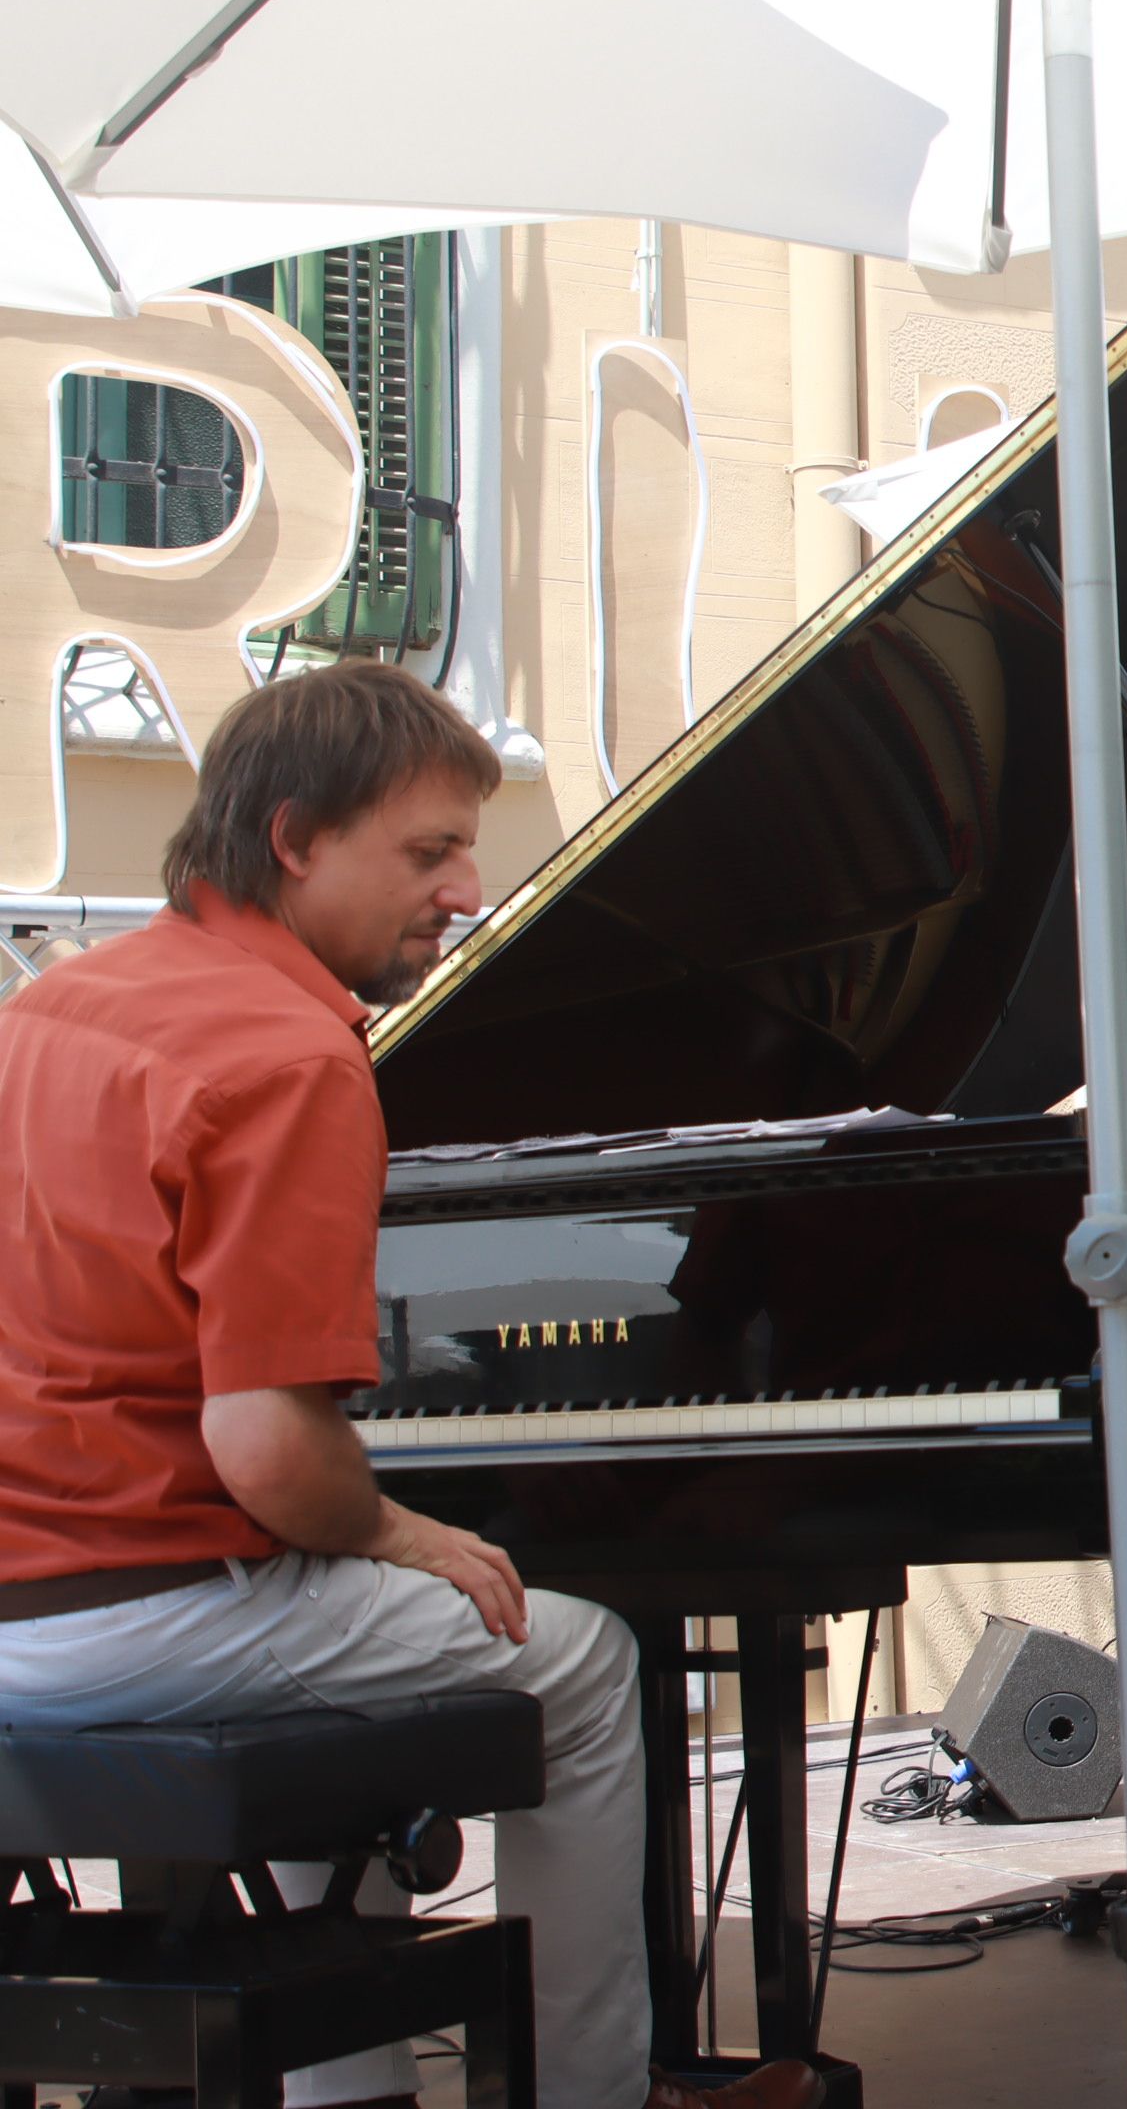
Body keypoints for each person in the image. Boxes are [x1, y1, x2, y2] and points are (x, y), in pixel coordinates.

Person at [0, 662, 815, 2109]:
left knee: (337, 1642)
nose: (468, 888)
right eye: (429, 851)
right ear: (297, 838)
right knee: (577, 1659)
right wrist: (408, 1532)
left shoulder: (49, 1010)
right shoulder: (292, 1053)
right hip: (134, 1612)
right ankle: (596, 2094)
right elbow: (267, 1455)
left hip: (24, 1604)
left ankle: (353, 2085)